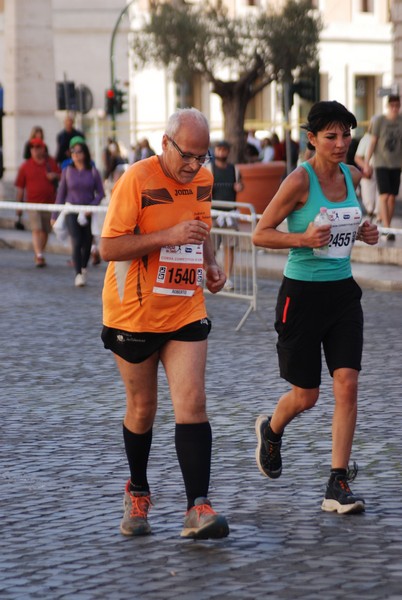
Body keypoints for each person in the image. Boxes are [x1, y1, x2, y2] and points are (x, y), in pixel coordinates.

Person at [99, 108, 229, 540]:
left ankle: (198, 507)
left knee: (192, 403)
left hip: (185, 308)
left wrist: (210, 265)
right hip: (133, 312)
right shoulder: (136, 179)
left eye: (202, 157)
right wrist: (165, 237)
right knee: (143, 409)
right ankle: (137, 490)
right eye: (187, 156)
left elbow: (200, 229)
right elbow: (108, 247)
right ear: (165, 144)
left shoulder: (204, 182)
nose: (194, 166)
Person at [252, 101, 379, 515]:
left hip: (342, 294)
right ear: (312, 139)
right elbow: (260, 234)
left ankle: (336, 482)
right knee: (306, 395)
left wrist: (365, 231)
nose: (341, 144)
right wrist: (303, 240)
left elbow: (349, 227)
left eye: (346, 135)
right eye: (331, 136)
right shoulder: (298, 180)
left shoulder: (351, 174)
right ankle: (271, 431)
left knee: (348, 384)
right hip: (301, 296)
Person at [52, 136, 104, 287]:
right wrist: (54, 215)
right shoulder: (67, 171)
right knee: (76, 240)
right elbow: (61, 194)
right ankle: (78, 274)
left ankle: (83, 266)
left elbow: (100, 193)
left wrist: (91, 206)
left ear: (85, 153)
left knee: (87, 242)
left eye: (79, 151)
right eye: (73, 151)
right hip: (71, 209)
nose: (75, 154)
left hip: (88, 211)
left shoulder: (93, 172)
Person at [15, 137, 60, 267]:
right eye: (33, 147)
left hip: (49, 203)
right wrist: (19, 205)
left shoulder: (50, 163)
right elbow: (20, 187)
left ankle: (39, 253)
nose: (35, 150)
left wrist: (55, 176)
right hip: (32, 204)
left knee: (46, 230)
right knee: (37, 229)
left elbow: (62, 175)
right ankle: (39, 255)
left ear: (43, 149)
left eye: (38, 147)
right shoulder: (25, 166)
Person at [364, 95, 402, 241]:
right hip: (381, 163)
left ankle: (388, 225)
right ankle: (386, 228)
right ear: (388, 106)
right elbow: (373, 142)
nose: (394, 108)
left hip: (396, 163)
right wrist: (367, 162)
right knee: (384, 195)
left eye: (397, 106)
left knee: (392, 197)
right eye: (392, 106)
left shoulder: (400, 121)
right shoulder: (380, 121)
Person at [209, 140, 244, 289]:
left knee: (230, 247)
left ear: (228, 152)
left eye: (224, 149)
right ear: (215, 151)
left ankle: (228, 277)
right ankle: (212, 275)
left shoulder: (234, 169)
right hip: (214, 213)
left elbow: (241, 184)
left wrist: (239, 187)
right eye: (219, 149)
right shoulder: (209, 169)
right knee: (211, 248)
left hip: (230, 214)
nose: (221, 152)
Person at [354, 119, 379, 221]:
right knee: (369, 200)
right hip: (369, 171)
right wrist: (366, 166)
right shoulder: (366, 139)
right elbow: (358, 157)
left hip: (382, 170)